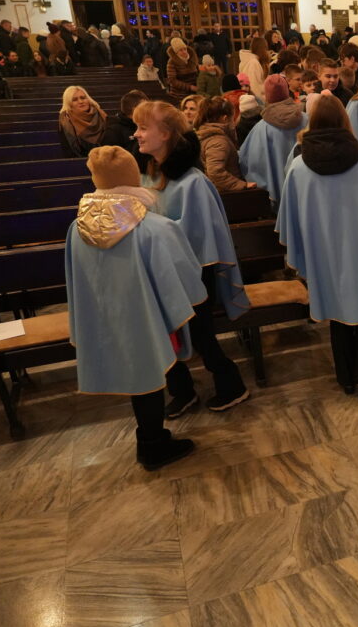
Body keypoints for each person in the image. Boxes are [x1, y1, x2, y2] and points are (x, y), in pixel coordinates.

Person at [65, 146, 200, 471]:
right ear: (133, 179)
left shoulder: (76, 228)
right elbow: (184, 275)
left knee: (139, 372)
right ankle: (153, 445)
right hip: (148, 315)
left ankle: (150, 438)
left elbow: (76, 278)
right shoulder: (154, 227)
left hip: (107, 316)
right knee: (149, 370)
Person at [276, 93, 358, 397]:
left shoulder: (298, 169)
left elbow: (291, 223)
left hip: (324, 256)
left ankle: (345, 377)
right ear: (344, 120)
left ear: (313, 123)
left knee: (337, 314)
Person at [133, 100, 250, 415]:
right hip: (159, 270)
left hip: (195, 271)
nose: (136, 134)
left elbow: (201, 236)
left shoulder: (193, 181)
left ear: (166, 134)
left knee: (201, 334)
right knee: (164, 333)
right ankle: (182, 391)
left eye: (143, 128)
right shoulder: (148, 174)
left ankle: (231, 385)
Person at [240, 74, 304, 205]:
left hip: (277, 199)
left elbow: (248, 162)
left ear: (268, 97)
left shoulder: (260, 129)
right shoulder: (308, 120)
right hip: (305, 192)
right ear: (287, 93)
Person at [195, 97, 255, 193]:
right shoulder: (218, 141)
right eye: (233, 118)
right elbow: (215, 171)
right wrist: (241, 184)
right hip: (226, 193)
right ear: (225, 118)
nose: (234, 122)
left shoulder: (211, 136)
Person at [58, 85, 106, 156]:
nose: (80, 101)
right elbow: (69, 151)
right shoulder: (66, 122)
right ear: (69, 104)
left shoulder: (101, 115)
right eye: (75, 100)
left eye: (83, 98)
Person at [102, 89, 148, 159]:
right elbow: (110, 159)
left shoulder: (146, 125)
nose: (149, 110)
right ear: (135, 109)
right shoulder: (113, 131)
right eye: (145, 107)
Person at [238, 37, 270, 101]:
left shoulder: (249, 60)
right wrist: (261, 103)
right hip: (255, 101)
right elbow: (254, 88)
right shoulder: (254, 63)